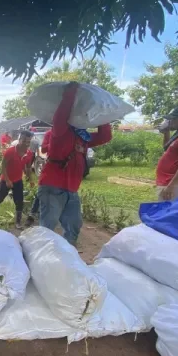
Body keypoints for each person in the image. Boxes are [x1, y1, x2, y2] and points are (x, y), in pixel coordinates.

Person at [38, 83, 112, 246]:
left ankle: (67, 255)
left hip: (72, 189)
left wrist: (100, 113)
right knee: (48, 227)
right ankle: (40, 258)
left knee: (74, 226)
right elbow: (60, 118)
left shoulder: (83, 137)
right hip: (53, 187)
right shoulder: (59, 132)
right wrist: (70, 94)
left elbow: (105, 136)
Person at [0, 130, 34, 229]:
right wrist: (7, 180)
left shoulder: (29, 154)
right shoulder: (10, 151)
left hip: (18, 180)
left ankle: (18, 222)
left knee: (19, 200)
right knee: (0, 197)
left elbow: (28, 167)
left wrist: (30, 179)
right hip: (6, 179)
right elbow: (3, 166)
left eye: (28, 142)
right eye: (24, 141)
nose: (26, 144)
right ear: (19, 140)